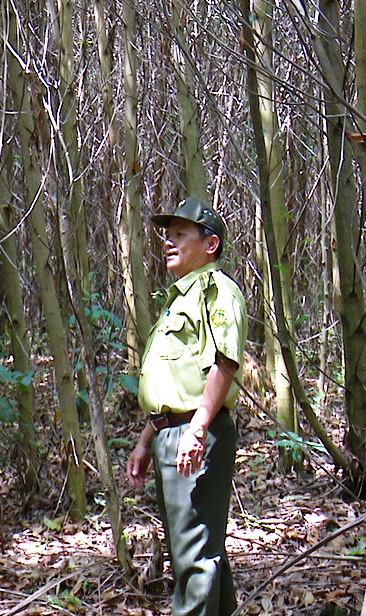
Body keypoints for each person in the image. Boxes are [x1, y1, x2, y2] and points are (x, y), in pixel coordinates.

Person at [126, 196, 247, 616]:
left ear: (209, 244)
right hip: (171, 432)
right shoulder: (180, 297)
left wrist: (197, 429)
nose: (168, 242)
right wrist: (147, 438)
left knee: (194, 553)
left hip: (196, 432)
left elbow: (224, 363)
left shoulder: (217, 291)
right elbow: (171, 383)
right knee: (200, 546)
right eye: (167, 234)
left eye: (180, 234)